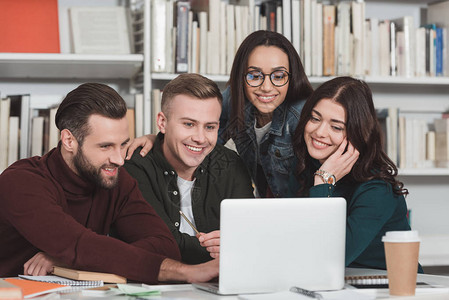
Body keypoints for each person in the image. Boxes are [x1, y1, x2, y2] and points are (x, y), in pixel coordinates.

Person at [0, 83, 219, 283]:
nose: (119, 159)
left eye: (123, 144)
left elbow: (164, 245)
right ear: (69, 141)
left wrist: (69, 258)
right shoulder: (21, 183)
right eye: (105, 146)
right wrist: (189, 272)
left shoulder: (116, 178)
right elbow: (78, 244)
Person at [127, 30, 313, 198]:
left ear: (292, 76)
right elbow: (195, 126)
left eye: (278, 76)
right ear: (241, 77)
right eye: (254, 76)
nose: (266, 87)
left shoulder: (304, 116)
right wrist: (158, 137)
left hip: (303, 209)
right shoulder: (236, 100)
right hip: (264, 206)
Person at [289, 76, 422, 272]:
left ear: (357, 133)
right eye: (315, 118)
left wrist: (324, 182)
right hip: (333, 282)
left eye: (336, 127)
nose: (319, 132)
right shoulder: (304, 167)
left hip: (386, 287)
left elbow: (329, 258)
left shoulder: (376, 188)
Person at [124, 74, 254, 264]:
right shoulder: (135, 167)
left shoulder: (230, 165)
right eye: (189, 124)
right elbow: (159, 246)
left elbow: (252, 239)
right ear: (162, 123)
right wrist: (228, 248)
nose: (200, 138)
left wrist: (238, 245)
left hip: (220, 287)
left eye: (209, 127)